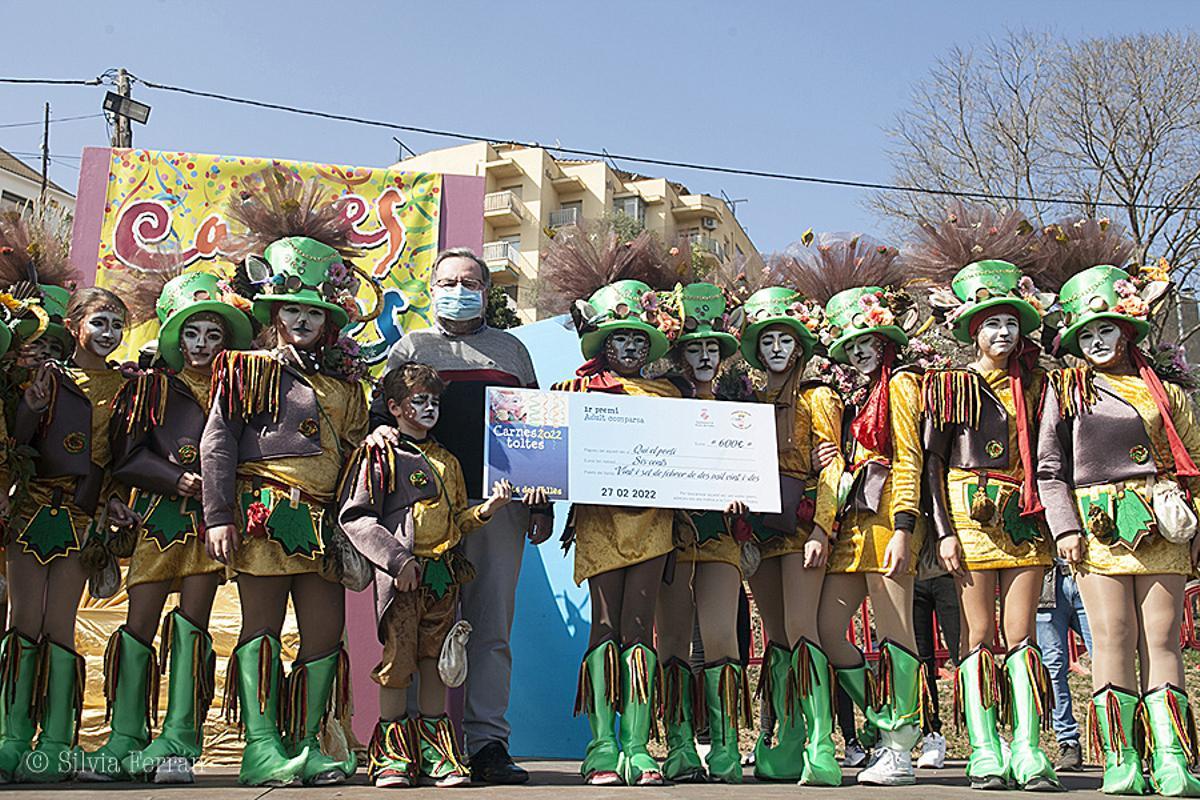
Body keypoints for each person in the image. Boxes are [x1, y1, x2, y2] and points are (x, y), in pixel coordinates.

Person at [200, 169, 373, 787]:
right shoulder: (245, 368)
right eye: (292, 309)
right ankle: (262, 747)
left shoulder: (349, 385)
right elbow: (216, 442)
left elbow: (355, 455)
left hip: (326, 525)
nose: (302, 320)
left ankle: (310, 739)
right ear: (275, 312)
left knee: (325, 634)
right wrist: (219, 515)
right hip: (264, 515)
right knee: (261, 628)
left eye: (314, 312)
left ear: (330, 321)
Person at [369, 246, 550, 785]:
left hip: (499, 509)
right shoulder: (410, 347)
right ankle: (417, 745)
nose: (457, 288)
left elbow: (539, 436)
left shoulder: (513, 351)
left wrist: (541, 502)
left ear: (487, 292)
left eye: (468, 281)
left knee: (490, 629)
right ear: (432, 286)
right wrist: (379, 430)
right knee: (414, 630)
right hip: (422, 518)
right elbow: (381, 419)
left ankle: (488, 744)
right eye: (447, 281)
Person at [1036, 220, 1200, 797]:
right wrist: (1064, 528)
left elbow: (1194, 462)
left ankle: (1174, 757)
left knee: (1161, 640)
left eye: (1107, 330)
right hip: (1097, 525)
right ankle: (1122, 759)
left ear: (1128, 331)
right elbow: (1050, 469)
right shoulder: (1068, 388)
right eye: (1087, 334)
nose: (1098, 342)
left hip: (1163, 521)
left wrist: (1195, 524)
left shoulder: (1170, 392)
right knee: (1111, 635)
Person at [80, 270, 253, 782]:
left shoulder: (238, 390)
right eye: (192, 333)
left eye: (213, 335)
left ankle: (179, 741)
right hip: (158, 519)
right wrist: (175, 480)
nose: (200, 345)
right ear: (175, 337)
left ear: (226, 341)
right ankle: (125, 737)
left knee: (193, 623)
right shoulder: (149, 387)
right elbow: (124, 456)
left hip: (208, 523)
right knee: (140, 622)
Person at [914, 205, 1060, 791]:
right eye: (991, 324)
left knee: (1021, 633)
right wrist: (943, 530)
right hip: (967, 515)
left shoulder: (1041, 387)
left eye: (1011, 323)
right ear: (972, 330)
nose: (1003, 333)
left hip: (1024, 515)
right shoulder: (950, 385)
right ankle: (983, 747)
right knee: (975, 635)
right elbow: (931, 463)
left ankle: (1028, 748)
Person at [541, 225, 684, 786]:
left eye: (638, 339)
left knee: (639, 626)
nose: (629, 348)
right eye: (619, 339)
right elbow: (543, 460)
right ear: (601, 343)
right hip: (599, 523)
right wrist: (535, 500)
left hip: (654, 523)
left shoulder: (671, 396)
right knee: (603, 626)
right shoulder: (569, 391)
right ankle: (602, 743)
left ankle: (637, 743)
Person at [791, 234, 927, 786]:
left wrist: (904, 529)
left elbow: (910, 460)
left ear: (884, 340)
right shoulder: (854, 397)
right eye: (850, 345)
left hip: (891, 519)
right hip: (851, 525)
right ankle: (878, 724)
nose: (860, 351)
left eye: (868, 341)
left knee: (897, 634)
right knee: (826, 628)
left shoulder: (901, 387)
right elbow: (845, 468)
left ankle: (901, 747)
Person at [340, 362, 513, 788]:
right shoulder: (378, 454)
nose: (429, 408)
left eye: (434, 401)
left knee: (437, 662)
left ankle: (437, 751)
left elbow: (457, 519)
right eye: (419, 400)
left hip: (442, 577)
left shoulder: (447, 460)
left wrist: (486, 510)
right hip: (403, 579)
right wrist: (397, 562)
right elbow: (358, 516)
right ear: (394, 407)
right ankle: (393, 756)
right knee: (398, 663)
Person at [4, 286, 134, 783]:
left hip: (83, 515)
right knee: (23, 621)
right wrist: (31, 406)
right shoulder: (47, 377)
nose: (108, 333)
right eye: (100, 321)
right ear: (76, 323)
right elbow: (17, 441)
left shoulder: (129, 387)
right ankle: (13, 736)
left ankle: (57, 740)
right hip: (33, 508)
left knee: (60, 625)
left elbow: (122, 454)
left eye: (117, 325)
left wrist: (114, 499)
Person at [736, 278, 843, 785]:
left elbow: (833, 466)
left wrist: (823, 527)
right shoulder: (750, 399)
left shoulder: (818, 396)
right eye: (767, 341)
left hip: (802, 530)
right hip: (761, 533)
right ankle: (787, 741)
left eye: (785, 340)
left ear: (800, 345)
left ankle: (823, 745)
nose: (777, 350)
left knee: (803, 630)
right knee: (776, 637)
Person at [653, 281, 751, 785]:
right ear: (680, 353)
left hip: (721, 535)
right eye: (696, 348)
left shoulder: (742, 401)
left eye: (713, 348)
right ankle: (679, 745)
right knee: (670, 637)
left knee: (720, 636)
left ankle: (727, 747)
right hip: (670, 536)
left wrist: (745, 496)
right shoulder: (660, 398)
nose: (706, 356)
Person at [1036, 562, 1093, 772]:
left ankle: (1121, 743)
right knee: (1052, 667)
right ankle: (1068, 742)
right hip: (1047, 580)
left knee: (1108, 661)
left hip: (1090, 572)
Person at [912, 545, 961, 769]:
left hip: (951, 571)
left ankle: (987, 733)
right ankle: (931, 733)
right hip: (911, 574)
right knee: (921, 662)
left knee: (964, 653)